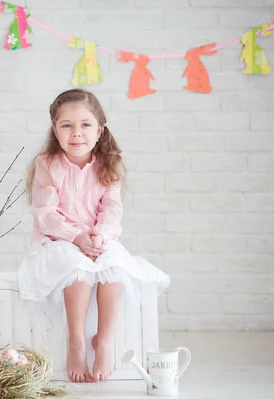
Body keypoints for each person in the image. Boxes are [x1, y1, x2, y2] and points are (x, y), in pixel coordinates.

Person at [18, 88, 169, 383]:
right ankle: (76, 341)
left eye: (85, 125)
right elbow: (45, 213)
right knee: (77, 269)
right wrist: (76, 237)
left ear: (100, 130)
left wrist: (98, 236)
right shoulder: (47, 165)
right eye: (67, 125)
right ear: (55, 130)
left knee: (112, 266)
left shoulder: (107, 166)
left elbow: (112, 211)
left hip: (98, 240)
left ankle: (104, 339)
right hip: (57, 240)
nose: (77, 133)